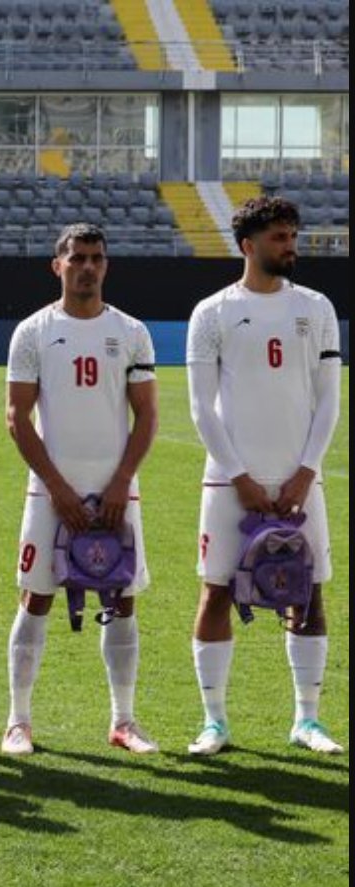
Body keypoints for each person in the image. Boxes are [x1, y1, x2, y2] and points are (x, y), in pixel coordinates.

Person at [184, 196, 343, 757]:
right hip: (231, 483)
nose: (290, 245)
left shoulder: (317, 307)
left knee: (311, 590)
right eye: (279, 237)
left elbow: (329, 401)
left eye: (293, 235)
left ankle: (308, 719)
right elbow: (201, 407)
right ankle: (215, 722)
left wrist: (306, 470)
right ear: (248, 246)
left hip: (301, 480)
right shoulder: (212, 312)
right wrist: (238, 475)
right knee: (217, 591)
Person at [0, 223, 160, 756]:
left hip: (116, 487)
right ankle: (18, 721)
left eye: (96, 257)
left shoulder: (132, 331)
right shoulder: (33, 331)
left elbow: (147, 415)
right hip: (50, 491)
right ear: (58, 265)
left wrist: (120, 481)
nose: (87, 267)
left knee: (124, 597)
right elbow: (17, 417)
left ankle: (124, 720)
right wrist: (56, 488)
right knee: (36, 594)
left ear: (106, 266)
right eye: (77, 258)